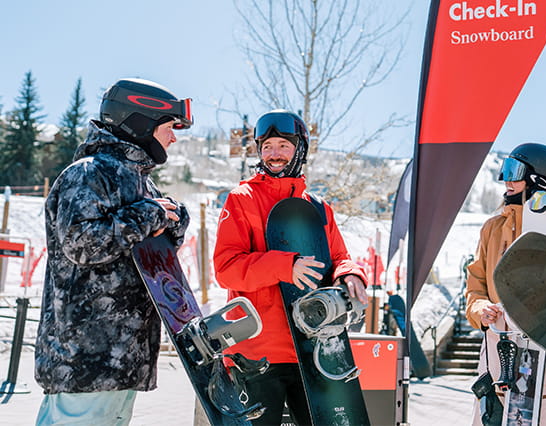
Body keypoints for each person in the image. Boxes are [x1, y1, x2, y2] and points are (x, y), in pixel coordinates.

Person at [34, 78, 192, 425]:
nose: (173, 138)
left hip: (124, 358)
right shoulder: (88, 174)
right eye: (169, 127)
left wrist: (174, 222)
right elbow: (81, 243)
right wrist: (148, 215)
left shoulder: (142, 182)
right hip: (84, 357)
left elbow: (149, 255)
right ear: (141, 123)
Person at [214, 109, 368, 425]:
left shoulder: (318, 209)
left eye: (284, 146)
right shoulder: (242, 199)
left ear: (300, 150)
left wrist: (350, 274)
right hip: (257, 352)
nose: (275, 154)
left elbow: (339, 257)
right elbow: (226, 269)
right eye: (267, 146)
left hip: (311, 348)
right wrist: (285, 266)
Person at [465, 143, 546, 426]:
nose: (505, 180)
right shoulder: (493, 228)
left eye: (514, 172)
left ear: (540, 180)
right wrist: (479, 308)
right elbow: (475, 286)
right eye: (505, 170)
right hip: (498, 360)